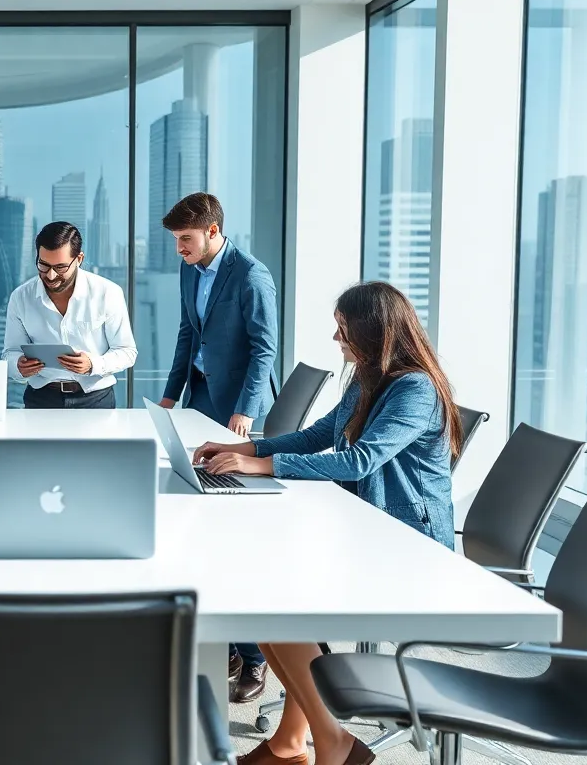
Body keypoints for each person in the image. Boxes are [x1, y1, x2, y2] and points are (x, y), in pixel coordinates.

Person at [194, 281, 460, 765]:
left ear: (373, 332)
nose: (336, 339)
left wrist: (264, 468)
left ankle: (330, 743)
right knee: (266, 594)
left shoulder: (416, 388)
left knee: (275, 600)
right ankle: (294, 741)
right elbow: (320, 434)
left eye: (343, 329)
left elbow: (360, 460)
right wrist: (245, 449)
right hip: (363, 527)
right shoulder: (367, 376)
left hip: (411, 548)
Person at [156, 191, 278, 703]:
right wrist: (169, 395)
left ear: (211, 230)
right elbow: (189, 332)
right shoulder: (191, 269)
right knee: (197, 516)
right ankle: (225, 642)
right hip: (200, 396)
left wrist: (245, 413)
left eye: (185, 239)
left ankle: (255, 658)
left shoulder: (251, 275)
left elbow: (264, 347)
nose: (178, 249)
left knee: (233, 534)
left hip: (238, 411)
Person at [3, 221, 136, 409]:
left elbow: (127, 352)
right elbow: (9, 353)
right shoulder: (21, 297)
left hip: (96, 399)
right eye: (43, 265)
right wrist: (18, 365)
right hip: (42, 398)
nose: (50, 275)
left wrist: (93, 364)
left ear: (79, 259)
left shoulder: (107, 293)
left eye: (60, 267)